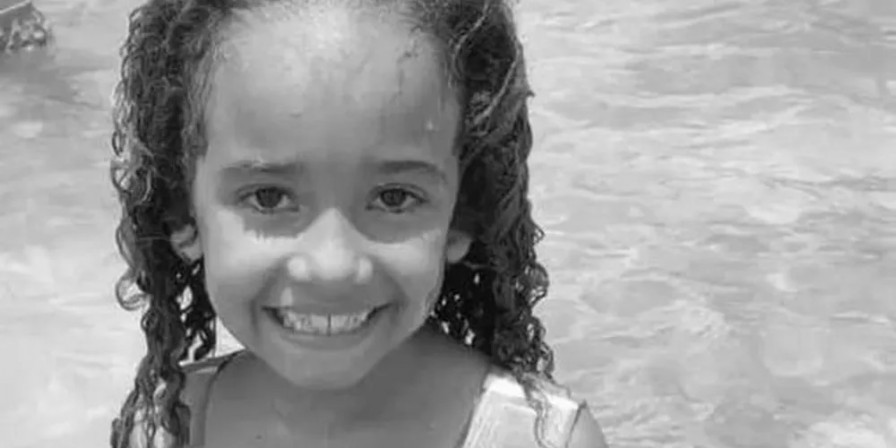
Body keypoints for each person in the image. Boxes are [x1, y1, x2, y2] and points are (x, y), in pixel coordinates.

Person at [107, 0, 608, 447]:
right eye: (268, 197)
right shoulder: (168, 428)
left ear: (462, 214)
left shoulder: (540, 440)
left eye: (394, 198)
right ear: (183, 215)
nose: (333, 266)